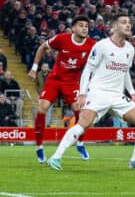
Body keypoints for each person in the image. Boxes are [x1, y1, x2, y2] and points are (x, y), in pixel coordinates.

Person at [47, 13, 135, 171]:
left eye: (129, 22)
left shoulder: (130, 49)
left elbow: (125, 72)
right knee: (83, 124)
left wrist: (132, 93)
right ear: (115, 26)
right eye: (124, 22)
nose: (128, 25)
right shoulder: (102, 45)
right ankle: (56, 157)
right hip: (99, 93)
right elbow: (88, 70)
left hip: (117, 95)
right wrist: (83, 94)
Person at [27, 15, 96, 163]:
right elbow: (42, 47)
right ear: (74, 28)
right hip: (55, 80)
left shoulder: (92, 45)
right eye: (81, 25)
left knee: (80, 109)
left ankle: (80, 143)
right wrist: (34, 68)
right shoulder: (62, 39)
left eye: (86, 26)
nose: (85, 28)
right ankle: (39, 147)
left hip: (72, 83)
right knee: (42, 107)